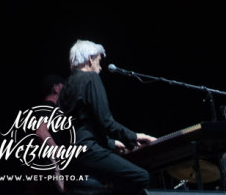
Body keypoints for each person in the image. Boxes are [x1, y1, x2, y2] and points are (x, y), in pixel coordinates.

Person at [57, 40, 157, 193]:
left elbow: (78, 127)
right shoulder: (90, 78)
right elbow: (106, 122)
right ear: (90, 59)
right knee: (142, 177)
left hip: (70, 157)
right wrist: (136, 136)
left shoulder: (66, 87)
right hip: (88, 151)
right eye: (98, 60)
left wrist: (112, 144)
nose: (101, 66)